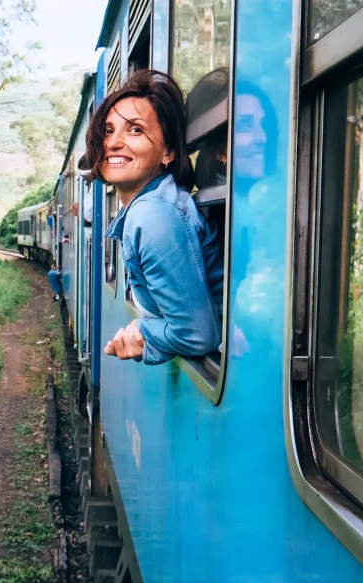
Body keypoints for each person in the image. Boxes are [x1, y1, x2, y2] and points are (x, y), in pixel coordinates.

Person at [86, 69, 224, 364]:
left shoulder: (151, 216)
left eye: (135, 130)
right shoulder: (149, 206)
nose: (112, 143)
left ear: (168, 152)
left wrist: (143, 331)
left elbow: (197, 334)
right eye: (108, 131)